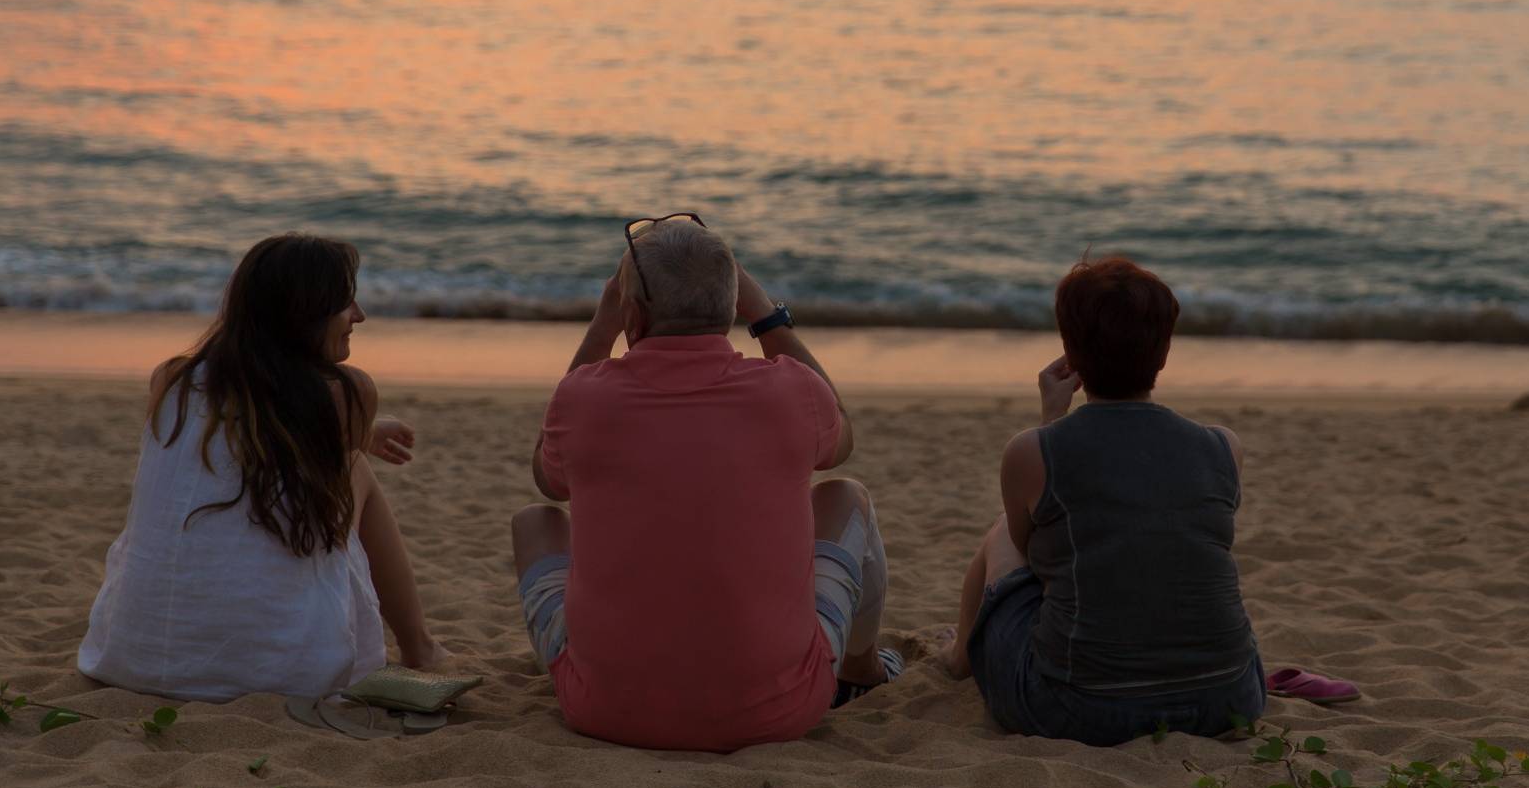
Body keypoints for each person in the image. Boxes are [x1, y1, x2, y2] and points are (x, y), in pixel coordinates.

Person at [511, 215, 896, 751]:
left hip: (605, 711)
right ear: (733, 306)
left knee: (535, 523)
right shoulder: (789, 392)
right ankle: (860, 667)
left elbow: (546, 480)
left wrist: (603, 328)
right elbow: (842, 435)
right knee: (844, 496)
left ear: (633, 313)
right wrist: (765, 314)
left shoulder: (585, 398)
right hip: (781, 709)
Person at [79, 233, 448, 700]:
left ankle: (421, 646)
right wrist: (365, 434)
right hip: (284, 676)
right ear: (306, 313)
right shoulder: (348, 393)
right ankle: (420, 647)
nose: (359, 316)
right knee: (358, 470)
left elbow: (252, 423)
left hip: (135, 659)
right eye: (344, 302)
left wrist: (366, 431)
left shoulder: (170, 379)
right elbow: (327, 435)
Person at [942, 255, 1267, 745]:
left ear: (1070, 351)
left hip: (1081, 709)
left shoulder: (1030, 450)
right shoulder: (1223, 445)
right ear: (1163, 352)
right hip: (1231, 700)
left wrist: (1051, 416)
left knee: (1000, 535)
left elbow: (1033, 551)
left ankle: (961, 658)